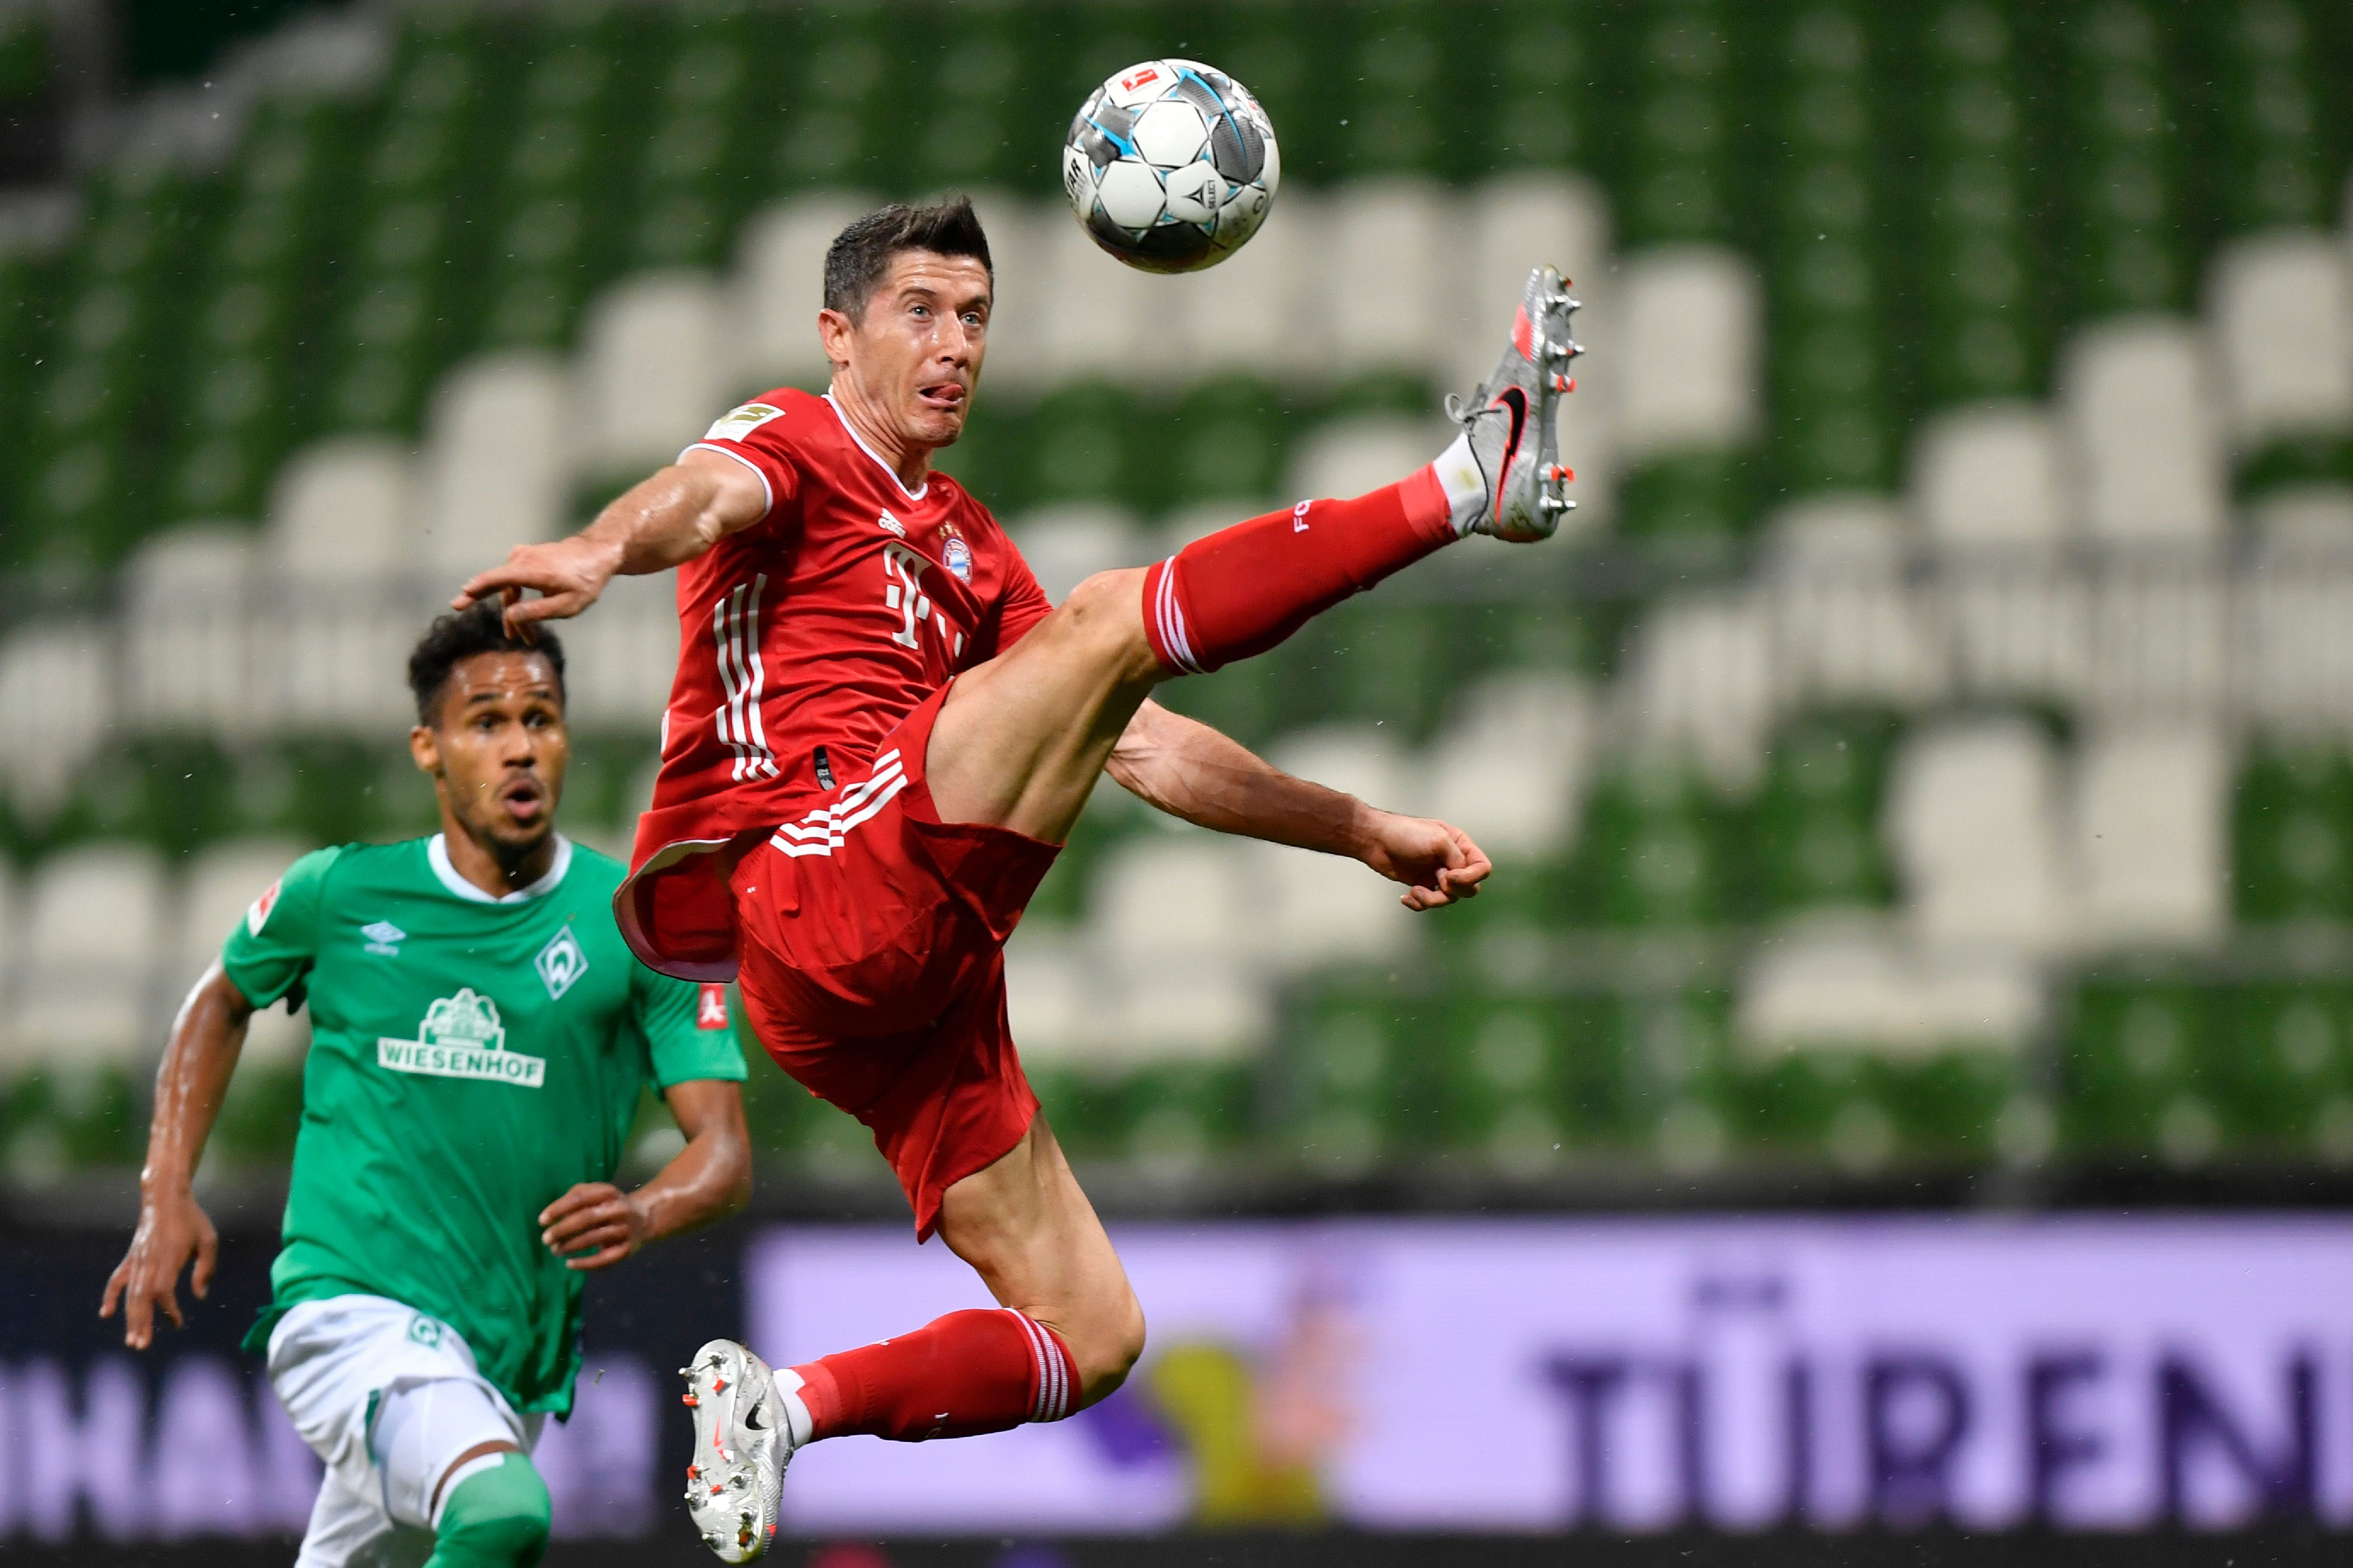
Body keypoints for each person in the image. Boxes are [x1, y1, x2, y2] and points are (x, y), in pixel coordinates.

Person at [454, 196, 1577, 1561]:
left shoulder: (974, 547)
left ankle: (785, 1409)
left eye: (975, 318)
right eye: (919, 313)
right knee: (1112, 621)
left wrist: (1351, 826)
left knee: (1095, 1335)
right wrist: (595, 550)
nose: (954, 346)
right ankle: (1466, 486)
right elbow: (702, 498)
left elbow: (1143, 745)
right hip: (796, 879)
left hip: (901, 983)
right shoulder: (793, 441)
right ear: (838, 334)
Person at [101, 604, 755, 1568]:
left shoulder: (638, 927)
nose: (520, 748)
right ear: (429, 749)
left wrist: (646, 1212)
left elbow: (726, 1154)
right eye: (486, 723)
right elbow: (217, 1002)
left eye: (541, 719)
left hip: (503, 1356)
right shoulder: (340, 894)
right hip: (350, 1310)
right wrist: (167, 1187)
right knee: (502, 1512)